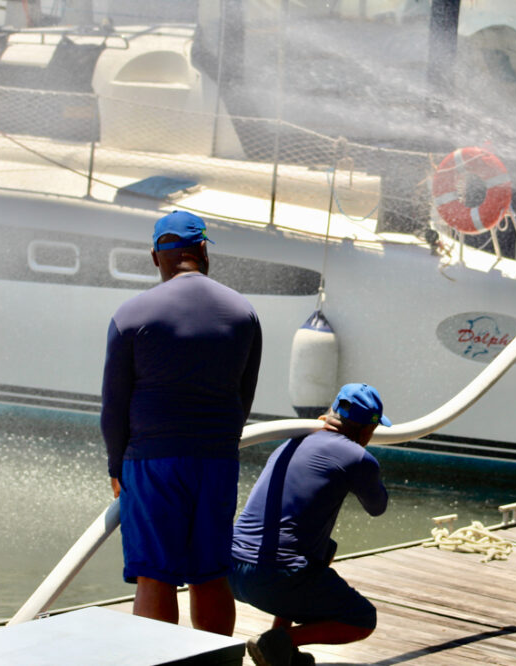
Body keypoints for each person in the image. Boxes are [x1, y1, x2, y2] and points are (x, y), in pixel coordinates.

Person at [101, 210, 263, 635]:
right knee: (210, 574)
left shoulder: (131, 315)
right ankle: (218, 662)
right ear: (203, 250)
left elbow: (113, 407)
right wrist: (220, 442)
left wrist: (116, 467)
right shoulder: (243, 313)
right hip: (217, 460)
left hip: (152, 461)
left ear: (156, 257)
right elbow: (243, 396)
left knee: (155, 576)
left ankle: (159, 663)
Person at [231, 383, 390, 666]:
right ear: (369, 429)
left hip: (230, 570)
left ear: (331, 412)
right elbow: (377, 507)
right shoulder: (358, 457)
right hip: (274, 580)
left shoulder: (293, 441)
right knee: (362, 618)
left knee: (323, 548)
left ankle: (283, 652)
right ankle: (279, 640)